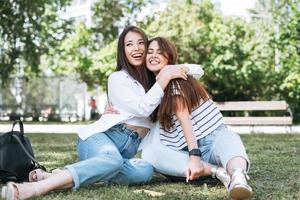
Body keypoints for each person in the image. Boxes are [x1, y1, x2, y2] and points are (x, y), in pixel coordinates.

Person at [1, 26, 195, 200]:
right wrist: (166, 77)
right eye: (129, 44)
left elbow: (197, 70)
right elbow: (143, 107)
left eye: (141, 43)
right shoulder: (118, 78)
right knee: (112, 160)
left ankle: (56, 176)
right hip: (98, 139)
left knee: (145, 170)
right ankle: (35, 188)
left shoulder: (155, 80)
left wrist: (173, 70)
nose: (136, 48)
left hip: (125, 153)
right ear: (123, 51)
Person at [140, 37, 253, 199]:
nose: (153, 55)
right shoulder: (155, 89)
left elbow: (184, 118)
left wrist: (194, 156)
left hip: (211, 140)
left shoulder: (176, 80)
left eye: (159, 52)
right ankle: (219, 172)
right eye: (150, 52)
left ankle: (238, 176)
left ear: (169, 57)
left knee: (229, 139)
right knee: (149, 154)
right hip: (185, 150)